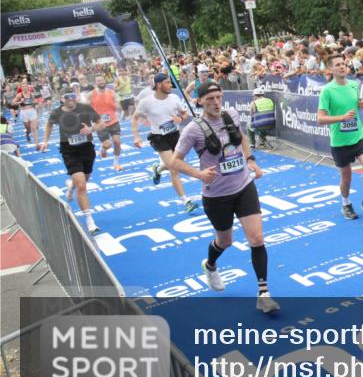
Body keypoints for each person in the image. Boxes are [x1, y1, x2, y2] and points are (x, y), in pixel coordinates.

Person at [170, 81, 278, 314]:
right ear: (199, 101)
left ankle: (264, 293)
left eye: (219, 97)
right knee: (225, 241)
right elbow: (174, 161)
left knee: (257, 237)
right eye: (210, 99)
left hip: (243, 186)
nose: (216, 102)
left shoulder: (232, 115)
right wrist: (198, 173)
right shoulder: (193, 130)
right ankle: (210, 265)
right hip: (216, 195)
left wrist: (250, 160)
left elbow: (242, 138)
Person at [316, 53, 363, 221]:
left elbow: (356, 105)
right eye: (337, 64)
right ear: (331, 69)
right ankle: (346, 203)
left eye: (343, 64)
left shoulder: (354, 85)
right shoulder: (327, 91)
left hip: (358, 136)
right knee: (346, 178)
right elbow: (320, 119)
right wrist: (341, 118)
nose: (341, 66)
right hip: (339, 141)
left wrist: (361, 105)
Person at [37, 90, 108, 234]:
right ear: (61, 98)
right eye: (67, 97)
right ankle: (90, 222)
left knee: (84, 180)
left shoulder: (85, 108)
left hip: (87, 149)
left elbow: (101, 123)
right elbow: (49, 125)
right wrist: (45, 141)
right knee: (81, 185)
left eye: (73, 96)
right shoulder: (56, 113)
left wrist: (91, 129)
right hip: (69, 151)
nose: (71, 99)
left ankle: (71, 186)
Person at [131, 73, 198, 213]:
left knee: (174, 164)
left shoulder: (174, 98)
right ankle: (186, 201)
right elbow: (135, 118)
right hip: (158, 138)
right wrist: (136, 137)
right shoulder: (147, 102)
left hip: (174, 135)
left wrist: (180, 118)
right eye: (168, 82)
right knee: (174, 168)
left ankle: (158, 169)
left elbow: (185, 114)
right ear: (158, 84)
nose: (171, 85)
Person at [89, 74, 124, 171]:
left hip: (113, 121)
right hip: (100, 124)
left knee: (117, 142)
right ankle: (103, 149)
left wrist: (118, 105)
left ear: (105, 81)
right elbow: (85, 104)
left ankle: (116, 162)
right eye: (98, 80)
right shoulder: (92, 94)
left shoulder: (111, 92)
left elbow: (117, 103)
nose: (101, 82)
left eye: (102, 80)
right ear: (96, 83)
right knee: (108, 144)